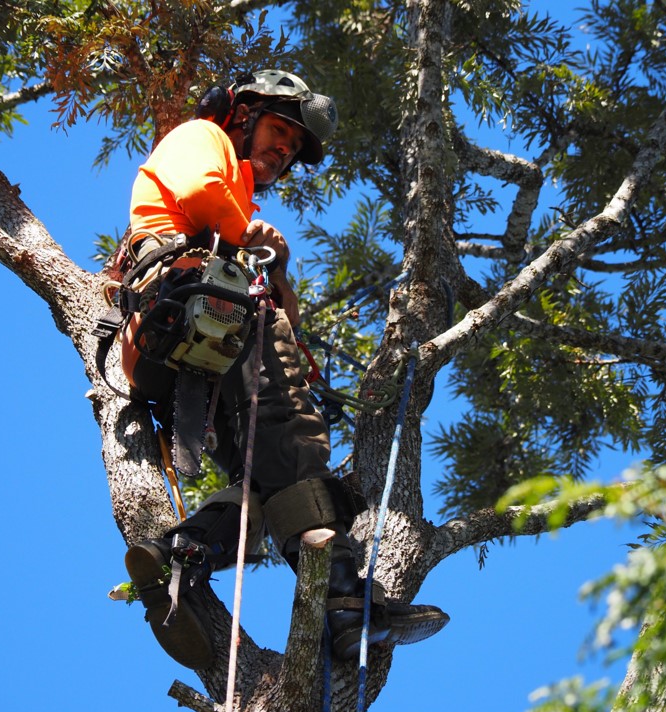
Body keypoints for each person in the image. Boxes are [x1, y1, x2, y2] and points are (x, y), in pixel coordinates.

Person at [120, 69, 448, 669]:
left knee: (262, 487)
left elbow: (285, 320)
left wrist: (277, 265)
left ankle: (183, 555)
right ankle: (344, 595)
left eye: (294, 147)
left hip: (191, 339)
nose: (284, 150)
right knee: (296, 445)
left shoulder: (240, 209)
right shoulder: (203, 138)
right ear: (242, 116)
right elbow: (198, 192)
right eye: (279, 131)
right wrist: (246, 233)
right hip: (201, 313)